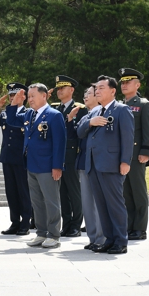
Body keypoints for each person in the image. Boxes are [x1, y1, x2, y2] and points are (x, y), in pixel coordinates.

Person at [77, 75, 134, 254]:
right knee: (102, 206)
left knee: (115, 204)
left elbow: (127, 137)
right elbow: (79, 132)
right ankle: (109, 240)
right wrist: (90, 122)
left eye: (101, 88)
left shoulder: (121, 110)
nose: (97, 91)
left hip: (111, 165)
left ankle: (121, 241)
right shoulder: (94, 112)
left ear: (113, 91)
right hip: (93, 165)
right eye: (96, 88)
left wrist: (125, 161)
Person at [6, 84, 66, 249]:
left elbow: (59, 143)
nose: (30, 99)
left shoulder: (54, 115)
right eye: (29, 96)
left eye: (33, 96)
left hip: (47, 166)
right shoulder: (29, 114)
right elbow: (11, 120)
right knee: (37, 201)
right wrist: (14, 103)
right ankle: (41, 232)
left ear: (44, 96)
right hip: (31, 164)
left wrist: (57, 166)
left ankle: (54, 235)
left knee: (51, 201)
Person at [118, 68, 149, 241]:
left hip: (136, 154)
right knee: (125, 193)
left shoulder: (143, 104)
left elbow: (148, 129)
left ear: (137, 85)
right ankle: (129, 225)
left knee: (138, 192)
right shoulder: (119, 105)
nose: (124, 85)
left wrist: (146, 151)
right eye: (122, 82)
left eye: (128, 82)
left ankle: (140, 228)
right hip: (121, 156)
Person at [0, 83, 31, 236]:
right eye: (11, 95)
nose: (12, 98)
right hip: (7, 157)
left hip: (21, 158)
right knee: (11, 192)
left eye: (16, 95)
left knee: (23, 191)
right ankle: (14, 222)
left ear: (24, 97)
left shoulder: (28, 113)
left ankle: (25, 222)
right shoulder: (5, 114)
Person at [54, 75, 87, 238]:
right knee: (62, 192)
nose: (59, 91)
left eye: (63, 88)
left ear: (72, 90)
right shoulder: (55, 109)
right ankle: (66, 224)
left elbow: (80, 132)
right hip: (58, 156)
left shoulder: (80, 109)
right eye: (58, 88)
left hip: (72, 155)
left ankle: (76, 225)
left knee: (74, 192)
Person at [76, 85, 105, 250]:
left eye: (89, 93)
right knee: (87, 204)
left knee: (98, 203)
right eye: (85, 94)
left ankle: (101, 238)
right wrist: (89, 122)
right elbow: (79, 132)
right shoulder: (87, 115)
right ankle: (93, 238)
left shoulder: (104, 112)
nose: (85, 96)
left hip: (98, 163)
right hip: (84, 162)